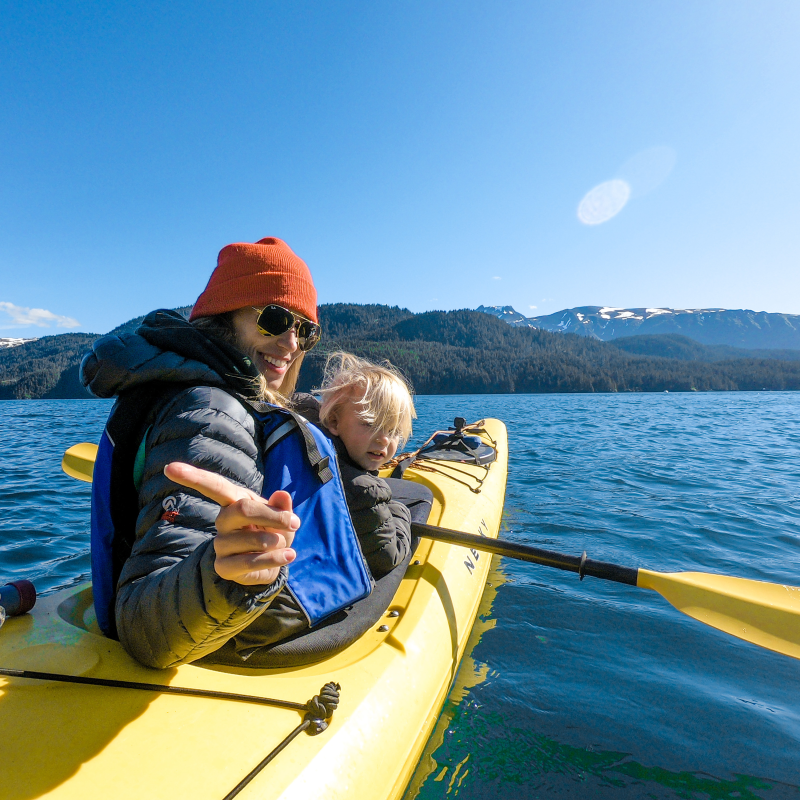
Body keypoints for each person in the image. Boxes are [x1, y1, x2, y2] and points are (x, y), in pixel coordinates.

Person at [81, 237, 329, 668]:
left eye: (306, 330)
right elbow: (146, 631)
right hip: (214, 645)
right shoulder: (212, 413)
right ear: (224, 317)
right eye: (275, 319)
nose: (292, 343)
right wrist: (227, 576)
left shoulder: (188, 390)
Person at [296, 352, 416, 579]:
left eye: (393, 431)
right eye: (370, 424)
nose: (384, 440)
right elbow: (388, 556)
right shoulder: (363, 490)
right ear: (333, 421)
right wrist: (399, 511)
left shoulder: (306, 442)